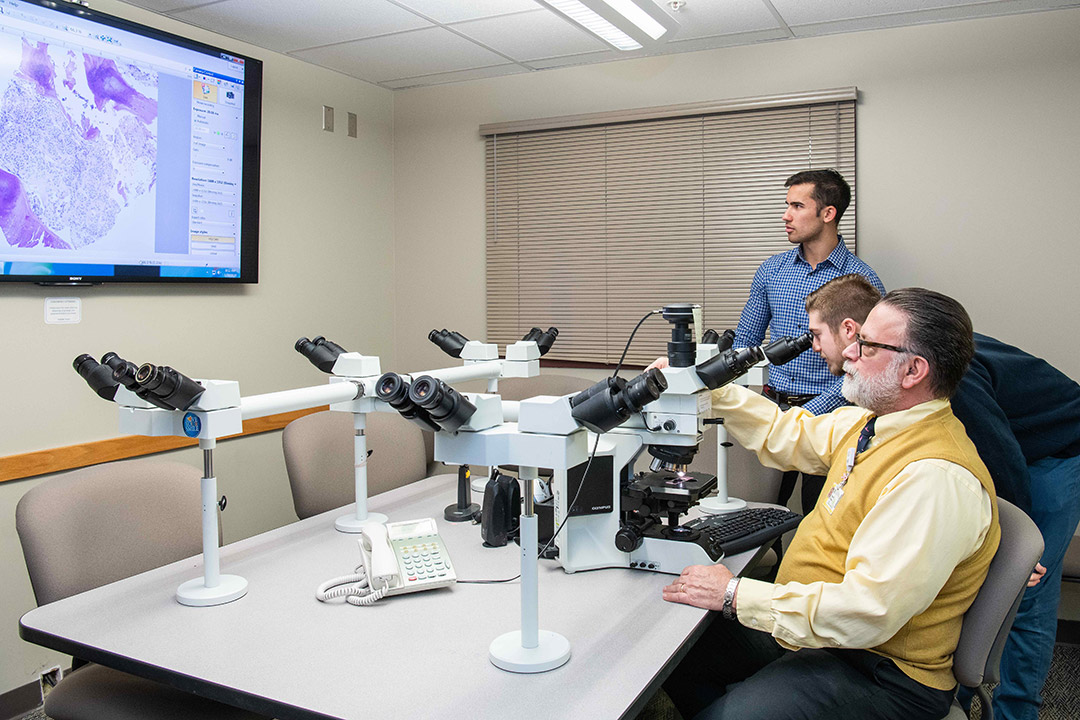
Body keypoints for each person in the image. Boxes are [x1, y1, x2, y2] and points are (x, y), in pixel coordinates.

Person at [662, 287, 1000, 720]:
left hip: (883, 671)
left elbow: (866, 612)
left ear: (913, 369)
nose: (849, 352)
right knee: (678, 646)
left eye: (868, 344)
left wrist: (733, 593)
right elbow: (790, 434)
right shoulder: (873, 424)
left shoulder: (935, 478)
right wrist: (705, 389)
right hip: (824, 635)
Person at [797, 274, 1080, 720]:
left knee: (1025, 589)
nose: (815, 348)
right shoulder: (890, 369)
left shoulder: (947, 381)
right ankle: (960, 700)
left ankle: (1016, 712)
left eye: (816, 335)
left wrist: (1008, 552)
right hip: (1012, 438)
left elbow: (1001, 459)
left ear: (854, 331)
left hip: (1055, 447)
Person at [734, 169, 885, 512]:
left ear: (828, 213)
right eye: (787, 205)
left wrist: (807, 413)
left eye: (797, 206)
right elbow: (745, 342)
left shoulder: (862, 282)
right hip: (775, 409)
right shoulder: (771, 271)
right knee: (759, 512)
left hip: (833, 417)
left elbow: (867, 363)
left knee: (820, 514)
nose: (786, 215)